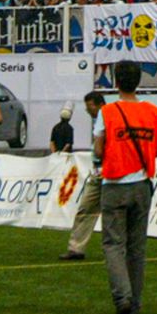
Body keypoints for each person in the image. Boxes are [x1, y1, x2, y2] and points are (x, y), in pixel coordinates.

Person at [94, 61, 157, 314]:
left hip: (115, 184)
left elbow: (97, 149)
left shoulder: (107, 112)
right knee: (137, 248)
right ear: (138, 82)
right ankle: (135, 302)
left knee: (114, 244)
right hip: (141, 184)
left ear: (116, 82)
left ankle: (122, 296)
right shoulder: (152, 112)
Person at [60, 92, 106, 261]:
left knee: (98, 211)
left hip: (108, 173)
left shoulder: (108, 118)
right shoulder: (99, 119)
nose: (88, 111)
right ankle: (76, 248)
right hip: (98, 172)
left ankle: (114, 249)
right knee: (86, 209)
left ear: (99, 104)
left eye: (90, 107)